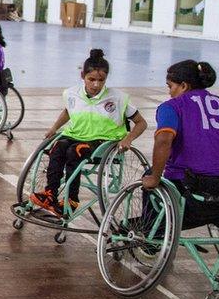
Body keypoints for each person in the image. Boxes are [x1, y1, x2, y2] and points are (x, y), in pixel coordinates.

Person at [32, 49, 147, 214]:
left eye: (101, 80)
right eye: (91, 79)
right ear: (82, 76)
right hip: (75, 135)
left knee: (75, 151)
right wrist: (54, 128)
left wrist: (128, 139)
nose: (96, 85)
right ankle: (50, 193)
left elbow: (141, 123)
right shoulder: (72, 94)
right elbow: (67, 111)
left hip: (104, 141)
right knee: (57, 147)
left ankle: (72, 199)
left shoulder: (118, 98)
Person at [142, 60, 219, 226]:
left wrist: (155, 177)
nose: (170, 93)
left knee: (149, 175)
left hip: (191, 189)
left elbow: (163, 140)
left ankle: (151, 233)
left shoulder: (172, 107)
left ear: (183, 85)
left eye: (170, 86)